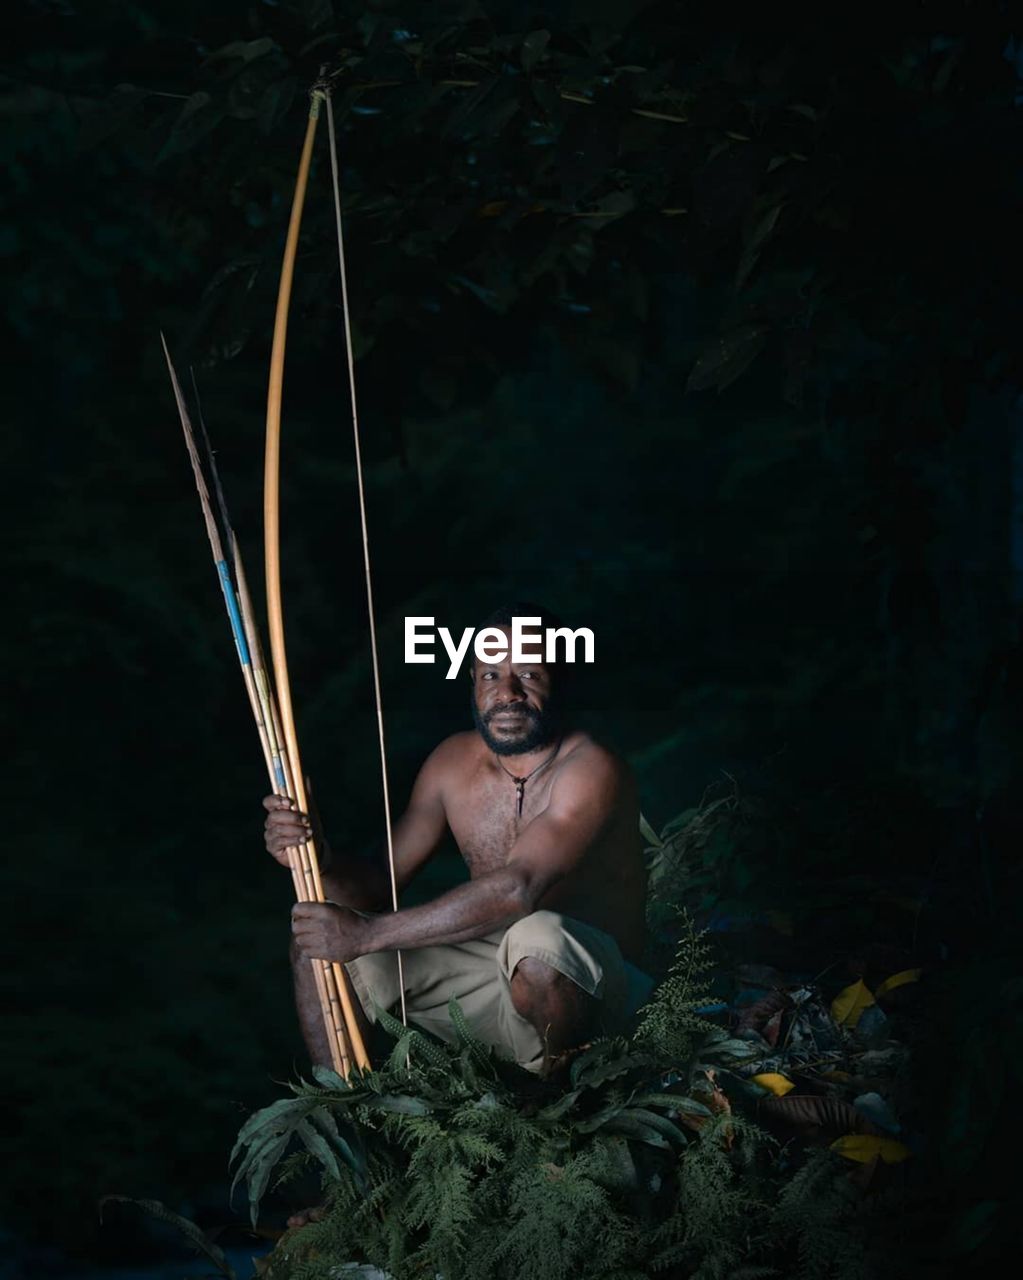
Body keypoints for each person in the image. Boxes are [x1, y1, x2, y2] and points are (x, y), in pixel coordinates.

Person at [263, 603, 647, 1080]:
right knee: (315, 941)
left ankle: (565, 1110)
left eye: (528, 673)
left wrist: (366, 935)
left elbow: (517, 890)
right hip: (493, 977)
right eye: (490, 676)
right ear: (472, 682)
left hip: (598, 995)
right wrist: (314, 855)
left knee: (538, 936)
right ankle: (346, 1114)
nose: (507, 693)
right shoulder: (451, 762)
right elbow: (376, 885)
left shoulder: (592, 766)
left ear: (559, 678)